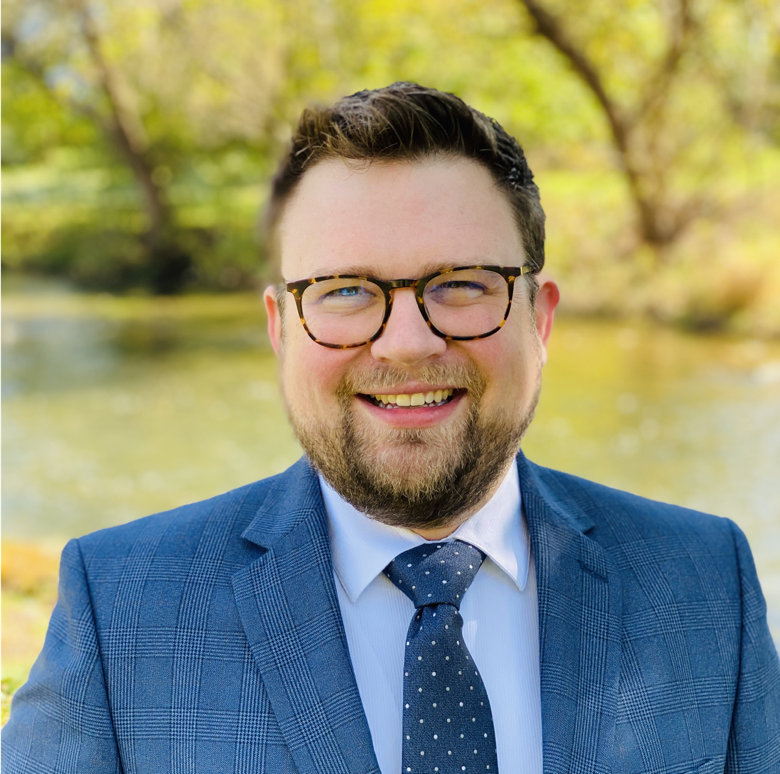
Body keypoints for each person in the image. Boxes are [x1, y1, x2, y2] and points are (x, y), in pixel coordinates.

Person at [2, 82, 778, 774]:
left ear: (540, 321)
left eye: (464, 284)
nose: (408, 341)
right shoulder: (121, 610)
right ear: (282, 330)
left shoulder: (706, 581)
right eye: (344, 291)